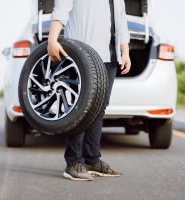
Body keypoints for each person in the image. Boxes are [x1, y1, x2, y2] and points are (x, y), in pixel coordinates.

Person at [47, 0, 131, 181]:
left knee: (99, 108)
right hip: (82, 54)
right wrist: (52, 39)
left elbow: (121, 21)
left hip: (109, 56)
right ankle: (73, 162)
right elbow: (61, 9)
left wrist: (125, 51)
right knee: (80, 108)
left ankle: (92, 159)